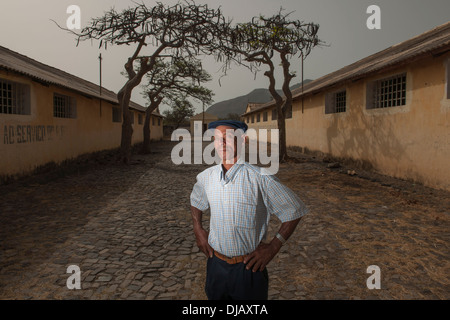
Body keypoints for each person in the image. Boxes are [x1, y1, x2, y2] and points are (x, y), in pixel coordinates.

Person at [190, 120, 309, 300]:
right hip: (215, 266)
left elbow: (294, 209)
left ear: (243, 140)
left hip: (247, 269)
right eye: (217, 138)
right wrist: (198, 228)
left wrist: (274, 246)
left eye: (228, 137)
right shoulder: (206, 177)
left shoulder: (261, 178)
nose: (222, 143)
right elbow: (196, 200)